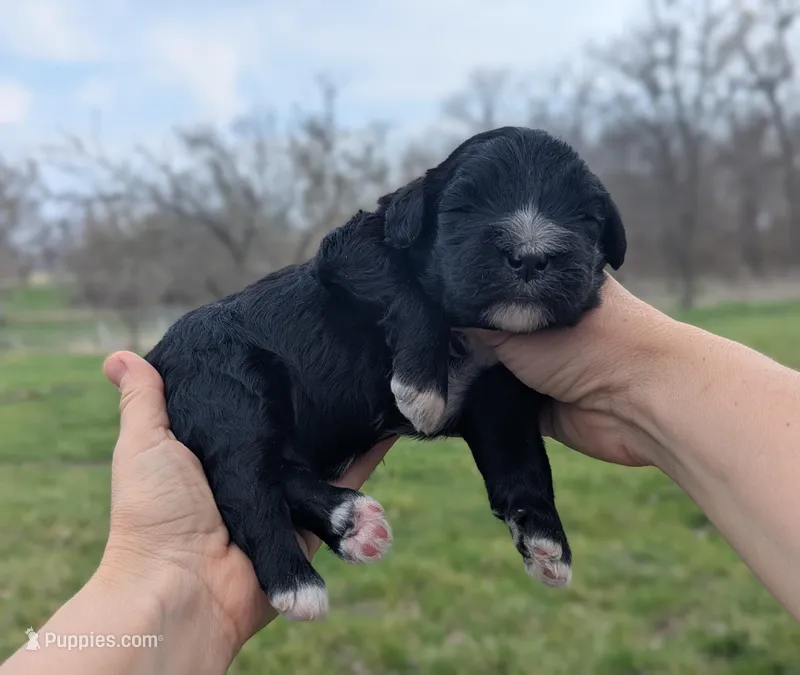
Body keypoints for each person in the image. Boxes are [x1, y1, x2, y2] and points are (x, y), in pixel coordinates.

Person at [2, 276, 799, 674]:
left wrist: (639, 381)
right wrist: (163, 575)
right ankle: (299, 535)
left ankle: (318, 505)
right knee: (251, 441)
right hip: (244, 379)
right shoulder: (257, 326)